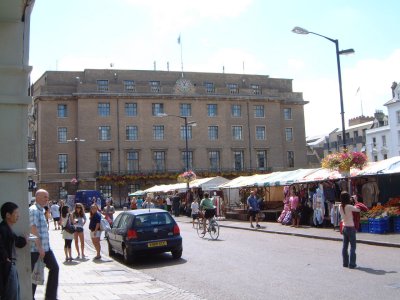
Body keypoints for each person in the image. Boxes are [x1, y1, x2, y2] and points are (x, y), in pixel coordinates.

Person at [30, 189, 59, 300]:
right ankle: (30, 297)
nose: (47, 199)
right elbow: (32, 228)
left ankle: (50, 297)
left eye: (47, 197)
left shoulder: (41, 210)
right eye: (44, 197)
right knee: (35, 275)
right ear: (37, 198)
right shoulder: (33, 210)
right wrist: (39, 247)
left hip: (46, 248)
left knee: (54, 268)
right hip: (36, 250)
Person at [0, 202, 27, 300]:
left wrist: (25, 239)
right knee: (11, 295)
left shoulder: (7, 228)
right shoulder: (2, 229)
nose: (18, 215)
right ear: (8, 215)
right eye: (16, 213)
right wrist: (5, 258)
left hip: (10, 265)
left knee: (13, 293)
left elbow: (17, 242)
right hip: (7, 267)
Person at [339, 191, 360, 269]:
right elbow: (358, 209)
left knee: (345, 246)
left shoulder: (340, 206)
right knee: (353, 247)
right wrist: (356, 201)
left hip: (344, 227)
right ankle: (352, 264)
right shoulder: (349, 206)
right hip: (351, 227)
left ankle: (345, 263)